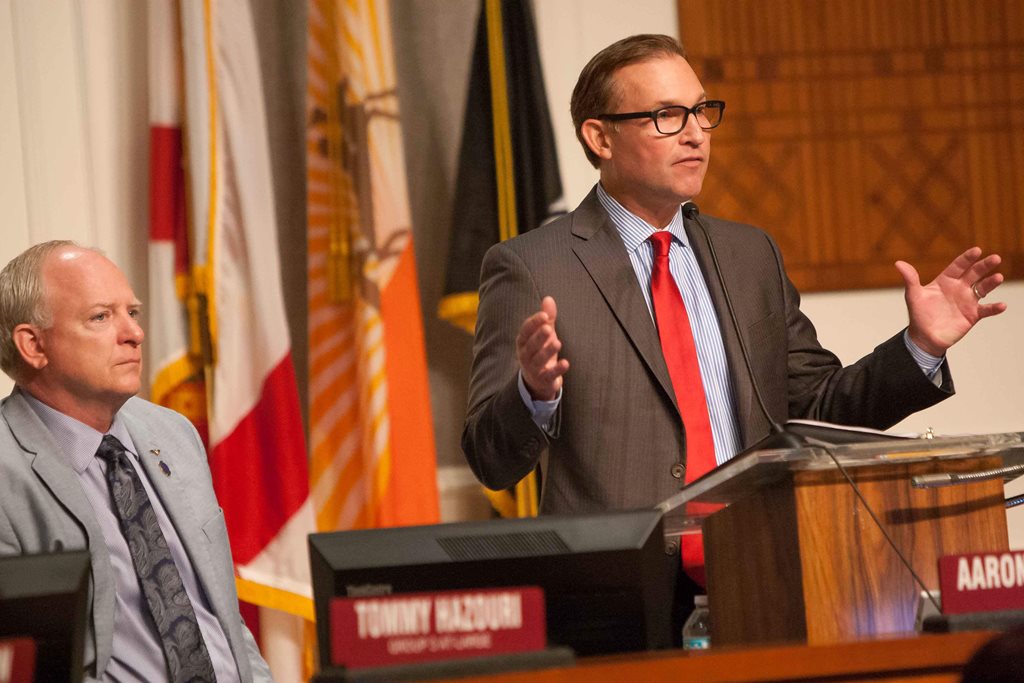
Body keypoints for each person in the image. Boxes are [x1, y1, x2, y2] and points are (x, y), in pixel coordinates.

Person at [461, 35, 1005, 578]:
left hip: (764, 570)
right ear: (600, 136)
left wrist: (921, 346)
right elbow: (491, 459)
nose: (696, 133)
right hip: (622, 586)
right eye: (668, 116)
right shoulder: (532, 265)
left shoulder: (748, 254)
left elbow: (816, 410)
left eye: (701, 111)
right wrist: (532, 394)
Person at [0, 241, 272, 682]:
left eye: (134, 312)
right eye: (102, 317)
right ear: (33, 345)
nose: (134, 333)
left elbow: (222, 617)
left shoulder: (174, 434)